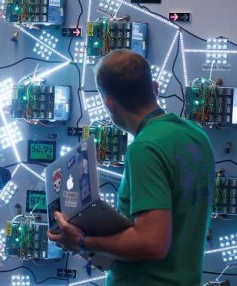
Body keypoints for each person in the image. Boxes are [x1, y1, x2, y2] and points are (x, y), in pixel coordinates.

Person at [48, 49, 215, 285]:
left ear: (109, 104)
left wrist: (82, 241)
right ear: (155, 88)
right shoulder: (195, 134)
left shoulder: (145, 148)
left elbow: (152, 243)